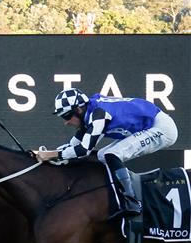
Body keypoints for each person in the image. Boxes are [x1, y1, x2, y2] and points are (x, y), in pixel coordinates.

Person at [31, 89, 180, 216]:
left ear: (78, 110)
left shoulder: (99, 114)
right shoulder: (89, 113)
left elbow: (83, 150)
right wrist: (45, 155)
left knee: (112, 154)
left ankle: (132, 202)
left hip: (161, 127)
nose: (66, 122)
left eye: (66, 116)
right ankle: (122, 193)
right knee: (102, 155)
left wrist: (51, 155)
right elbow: (71, 146)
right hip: (148, 124)